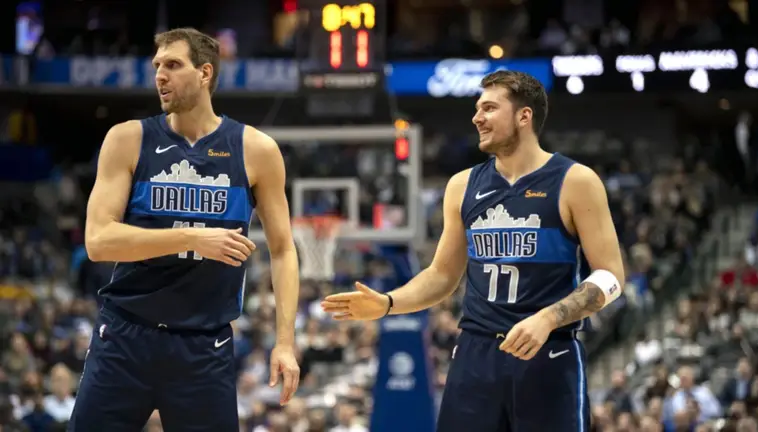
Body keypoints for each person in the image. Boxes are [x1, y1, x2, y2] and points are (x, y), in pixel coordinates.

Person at [321, 70, 625, 431]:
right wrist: (389, 303)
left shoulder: (575, 181)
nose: (477, 118)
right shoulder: (462, 185)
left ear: (524, 116)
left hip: (548, 351)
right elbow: (442, 275)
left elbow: (611, 277)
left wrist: (548, 318)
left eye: (489, 108)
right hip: (475, 355)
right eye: (477, 108)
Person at [69, 28, 301, 432]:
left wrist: (284, 342)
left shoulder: (256, 149)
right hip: (125, 337)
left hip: (204, 345)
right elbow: (98, 241)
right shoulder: (128, 139)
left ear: (205, 72)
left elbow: (283, 250)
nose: (160, 75)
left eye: (173, 65)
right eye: (157, 66)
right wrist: (192, 237)